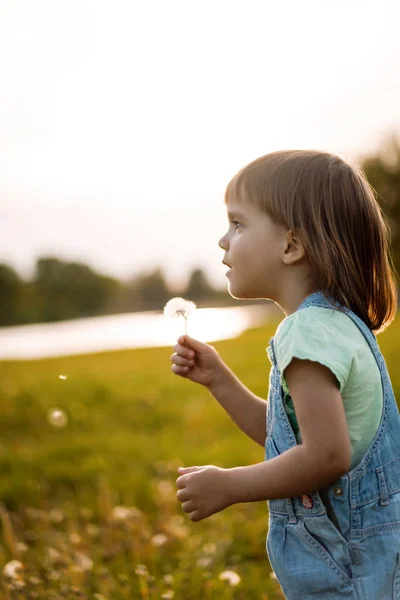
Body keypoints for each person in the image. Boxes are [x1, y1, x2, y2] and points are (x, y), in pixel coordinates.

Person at [171, 149, 400, 599]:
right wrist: (219, 378)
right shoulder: (338, 322)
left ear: (291, 246)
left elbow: (324, 457)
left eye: (238, 224)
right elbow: (294, 440)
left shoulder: (306, 332)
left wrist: (230, 485)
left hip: (350, 574)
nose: (223, 240)